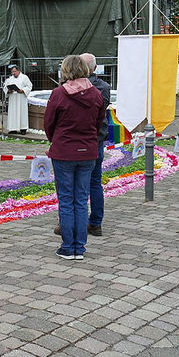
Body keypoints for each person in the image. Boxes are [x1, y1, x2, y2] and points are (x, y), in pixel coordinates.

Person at [44, 55, 106, 260]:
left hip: (64, 152)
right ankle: (79, 247)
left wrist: (57, 140)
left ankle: (68, 246)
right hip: (88, 151)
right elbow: (98, 123)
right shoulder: (96, 94)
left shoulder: (58, 94)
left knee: (66, 199)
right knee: (81, 200)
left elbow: (49, 124)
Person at [81, 53, 111, 236]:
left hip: (79, 141)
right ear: (95, 67)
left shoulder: (69, 88)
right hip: (97, 139)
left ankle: (76, 221)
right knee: (95, 183)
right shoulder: (104, 87)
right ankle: (96, 222)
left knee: (77, 184)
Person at [4, 64, 32, 134]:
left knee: (22, 112)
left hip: (21, 98)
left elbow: (29, 86)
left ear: (18, 71)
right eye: (12, 72)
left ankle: (23, 129)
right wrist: (8, 90)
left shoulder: (24, 77)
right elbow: (5, 87)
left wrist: (22, 90)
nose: (13, 73)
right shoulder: (10, 79)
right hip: (13, 98)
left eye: (15, 71)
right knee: (13, 113)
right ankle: (13, 128)